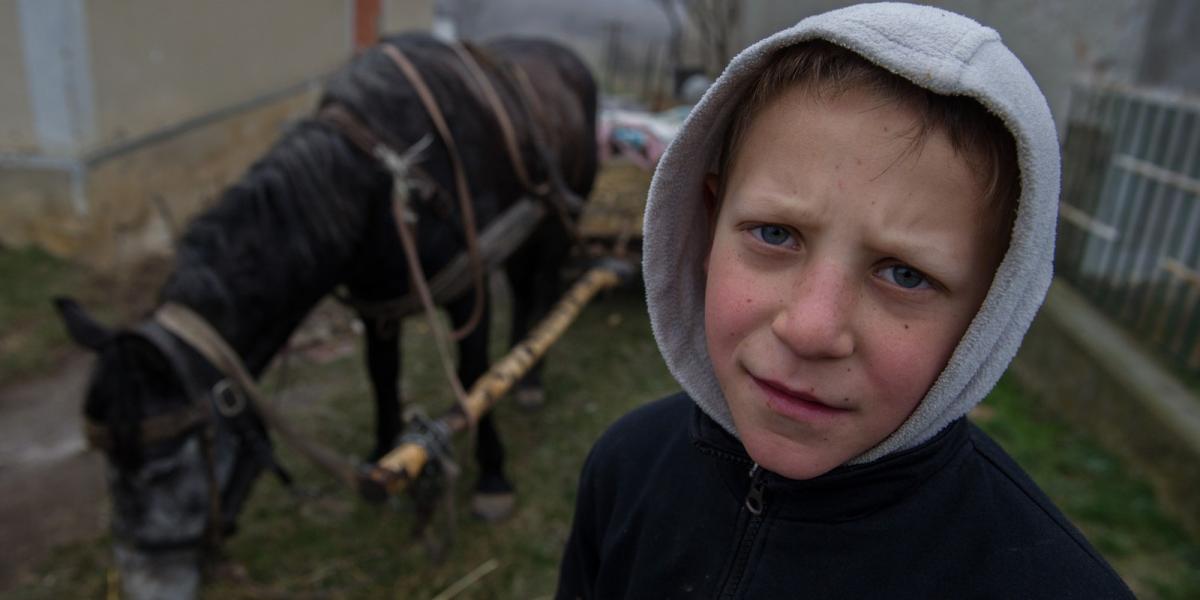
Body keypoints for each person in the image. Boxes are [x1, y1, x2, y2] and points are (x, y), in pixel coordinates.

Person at [556, 3, 1135, 598]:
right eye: (775, 234)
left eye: (905, 275)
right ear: (707, 225)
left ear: (989, 310)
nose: (810, 328)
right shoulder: (625, 469)